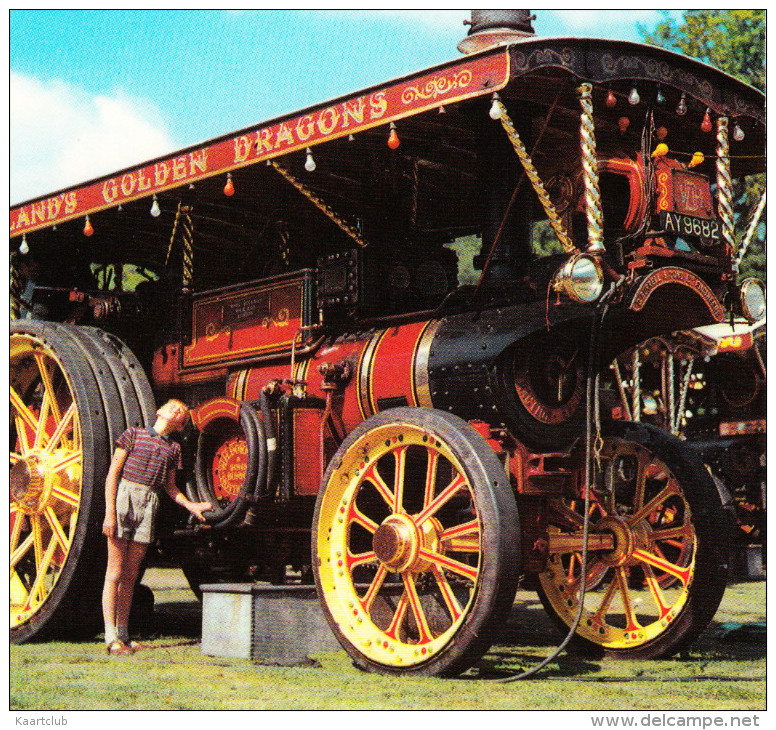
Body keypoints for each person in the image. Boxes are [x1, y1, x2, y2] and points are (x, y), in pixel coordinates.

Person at [101, 399, 211, 655]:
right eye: (173, 406)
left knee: (130, 575)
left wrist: (191, 506)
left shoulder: (173, 449)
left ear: (181, 424)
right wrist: (109, 514)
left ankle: (124, 635)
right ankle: (110, 636)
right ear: (160, 411)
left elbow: (170, 488)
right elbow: (112, 475)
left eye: (182, 411)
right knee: (114, 573)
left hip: (149, 503)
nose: (178, 410)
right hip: (124, 500)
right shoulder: (133, 435)